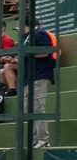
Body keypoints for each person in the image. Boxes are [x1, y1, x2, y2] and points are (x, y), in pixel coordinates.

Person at [25, 15, 58, 148]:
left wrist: (28, 54)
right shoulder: (27, 37)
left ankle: (43, 140)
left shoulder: (40, 33)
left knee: (38, 107)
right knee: (28, 109)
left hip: (39, 75)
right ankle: (34, 139)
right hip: (28, 77)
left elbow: (46, 52)